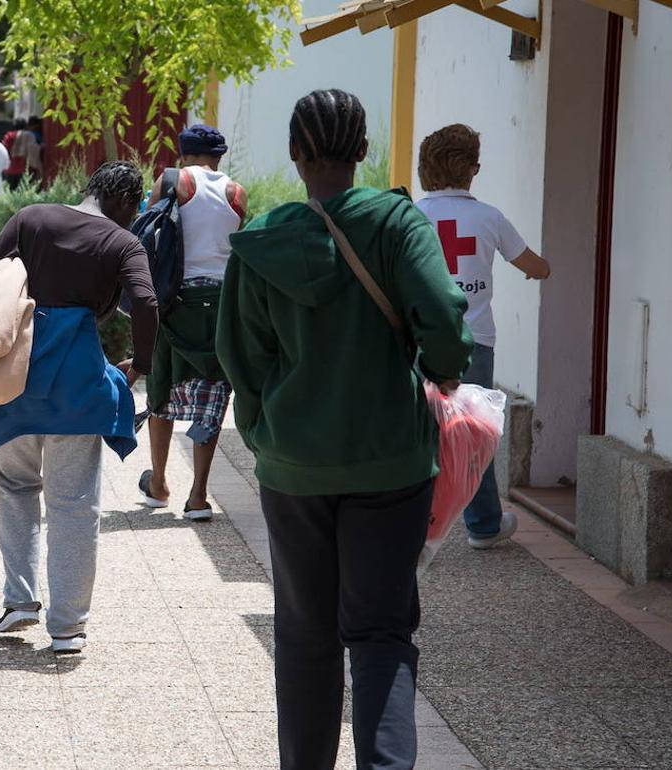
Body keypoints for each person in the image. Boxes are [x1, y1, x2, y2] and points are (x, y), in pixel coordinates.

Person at [217, 89, 472, 770]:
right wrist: (445, 374)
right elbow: (443, 318)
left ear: (295, 153)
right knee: (380, 633)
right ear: (364, 151)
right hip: (390, 462)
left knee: (304, 635)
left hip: (293, 469)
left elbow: (242, 359)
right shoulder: (396, 224)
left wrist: (271, 432)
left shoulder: (262, 241)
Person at [0, 161, 158, 655]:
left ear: (90, 188)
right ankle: (68, 628)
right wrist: (140, 363)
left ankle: (20, 601)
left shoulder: (32, 219)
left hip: (14, 383)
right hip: (78, 387)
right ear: (127, 202)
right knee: (74, 505)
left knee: (14, 488)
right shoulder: (122, 243)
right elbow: (146, 300)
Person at [416, 123, 552, 550]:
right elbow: (533, 264)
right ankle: (484, 525)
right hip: (474, 341)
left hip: (419, 339)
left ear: (425, 168)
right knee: (473, 435)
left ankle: (411, 522)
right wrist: (542, 268)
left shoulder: (414, 214)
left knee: (416, 429)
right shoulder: (488, 217)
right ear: (473, 169)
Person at [138, 124, 247, 522]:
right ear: (219, 156)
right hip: (220, 302)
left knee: (161, 386)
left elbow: (148, 239)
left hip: (174, 299)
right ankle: (199, 495)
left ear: (183, 153)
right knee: (215, 390)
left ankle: (159, 482)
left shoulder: (172, 180)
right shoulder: (237, 192)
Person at [2, 118, 27, 189]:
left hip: (10, 167)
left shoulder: (9, 136)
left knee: (10, 190)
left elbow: (5, 149)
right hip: (24, 167)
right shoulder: (28, 135)